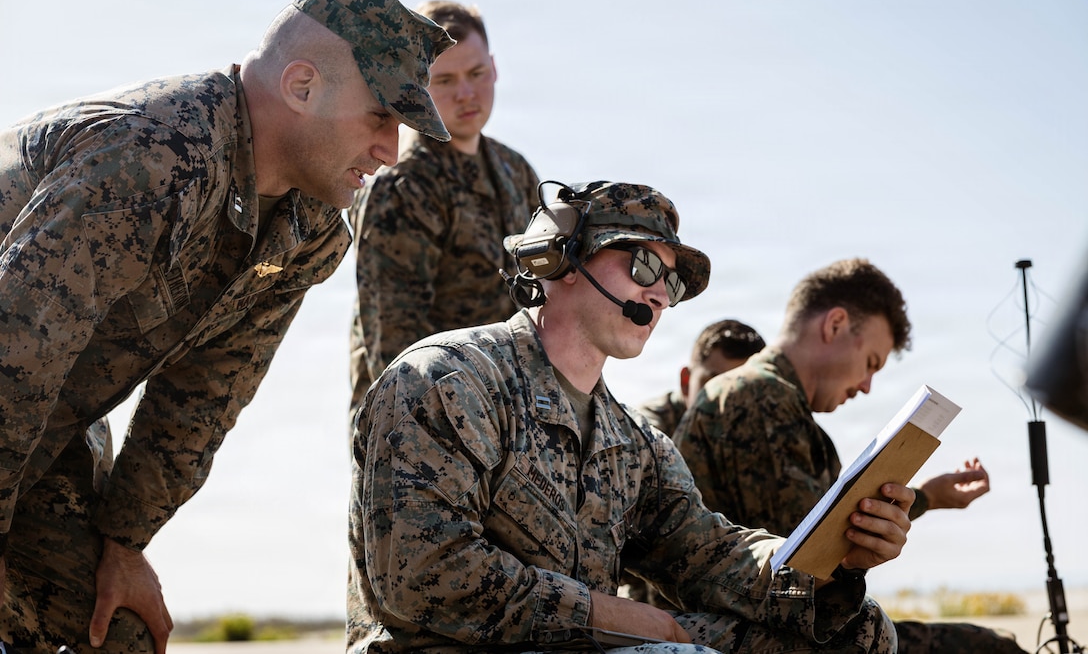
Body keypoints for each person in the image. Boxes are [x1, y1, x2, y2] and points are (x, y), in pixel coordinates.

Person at [0, 0, 454, 654]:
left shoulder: (310, 228)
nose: (391, 152)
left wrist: (124, 539)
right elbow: (10, 359)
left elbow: (204, 396)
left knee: (116, 632)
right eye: (381, 117)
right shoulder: (150, 158)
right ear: (302, 86)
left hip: (40, 441)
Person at [347, 181, 916, 653]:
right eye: (644, 265)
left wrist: (830, 562)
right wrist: (614, 618)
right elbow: (426, 577)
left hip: (583, 645)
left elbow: (710, 554)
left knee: (859, 633)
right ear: (562, 259)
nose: (661, 295)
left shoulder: (635, 443)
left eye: (671, 282)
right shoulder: (448, 379)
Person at [672, 258, 1025, 653]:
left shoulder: (778, 406)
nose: (867, 386)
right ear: (835, 324)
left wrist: (924, 498)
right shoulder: (758, 397)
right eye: (871, 363)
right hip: (729, 629)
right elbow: (805, 563)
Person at [347, 0, 540, 406]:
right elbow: (395, 347)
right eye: (446, 80)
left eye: (476, 73)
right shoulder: (404, 184)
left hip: (507, 420)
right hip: (423, 425)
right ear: (417, 83)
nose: (466, 93)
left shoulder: (516, 171)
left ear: (494, 67)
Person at [635, 318, 766, 434]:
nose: (725, 402)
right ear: (686, 381)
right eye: (715, 386)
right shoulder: (648, 428)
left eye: (741, 388)